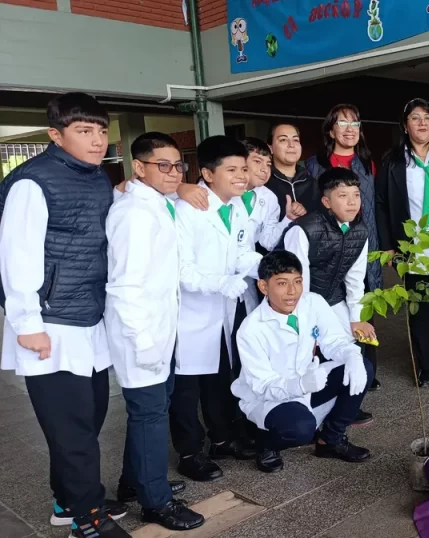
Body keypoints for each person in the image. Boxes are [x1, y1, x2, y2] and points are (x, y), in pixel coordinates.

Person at [0, 92, 130, 538]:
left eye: (100, 130)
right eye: (83, 131)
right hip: (50, 324)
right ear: (56, 135)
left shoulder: (96, 177)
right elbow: (17, 258)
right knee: (72, 429)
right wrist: (28, 325)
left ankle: (68, 498)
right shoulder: (32, 183)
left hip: (88, 317)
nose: (97, 141)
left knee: (88, 418)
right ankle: (88, 518)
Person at [104, 132, 204, 531]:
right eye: (162, 165)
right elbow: (124, 286)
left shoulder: (157, 204)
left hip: (161, 330)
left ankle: (134, 483)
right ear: (139, 168)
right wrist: (143, 342)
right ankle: (155, 502)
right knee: (148, 415)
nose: (173, 172)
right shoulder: (134, 214)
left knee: (152, 410)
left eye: (178, 164)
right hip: (140, 335)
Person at [170, 136, 262, 482]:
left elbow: (241, 251)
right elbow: (181, 269)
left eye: (244, 168)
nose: (242, 176)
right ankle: (189, 453)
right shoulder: (186, 208)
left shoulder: (236, 207)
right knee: (186, 389)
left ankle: (222, 439)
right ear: (208, 174)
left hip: (223, 310)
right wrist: (220, 283)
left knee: (220, 378)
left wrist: (265, 267)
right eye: (232, 170)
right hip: (190, 314)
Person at [233, 251, 373, 472]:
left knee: (361, 367)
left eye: (297, 282)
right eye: (282, 283)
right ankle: (266, 444)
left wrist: (352, 355)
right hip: (270, 398)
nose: (292, 292)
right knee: (300, 429)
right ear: (263, 287)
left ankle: (331, 440)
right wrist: (299, 385)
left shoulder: (312, 303)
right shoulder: (251, 329)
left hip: (309, 382)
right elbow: (264, 386)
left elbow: (335, 341)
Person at [375, 98, 429, 387]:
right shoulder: (392, 162)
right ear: (405, 125)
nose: (422, 123)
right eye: (415, 118)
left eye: (428, 117)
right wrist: (389, 245)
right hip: (414, 249)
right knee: (420, 310)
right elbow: (382, 205)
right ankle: (426, 367)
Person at [283, 167, 377, 427]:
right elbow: (297, 284)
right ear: (326, 201)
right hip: (300, 303)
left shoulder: (360, 231)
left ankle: (340, 412)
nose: (351, 202)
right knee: (305, 355)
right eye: (343, 195)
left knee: (351, 349)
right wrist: (308, 321)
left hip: (334, 299)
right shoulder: (302, 230)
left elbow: (355, 280)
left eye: (356, 195)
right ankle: (303, 414)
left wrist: (356, 319)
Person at [305, 104, 383, 391]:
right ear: (331, 130)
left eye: (355, 124)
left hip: (364, 241)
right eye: (343, 124)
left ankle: (366, 368)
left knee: (363, 301)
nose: (350, 130)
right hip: (330, 245)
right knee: (332, 305)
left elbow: (376, 207)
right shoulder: (314, 165)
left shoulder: (367, 163)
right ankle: (335, 370)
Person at [238, 136, 304, 314]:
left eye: (268, 164)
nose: (264, 169)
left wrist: (287, 219)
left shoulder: (268, 197)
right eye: (257, 161)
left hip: (248, 273)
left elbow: (268, 241)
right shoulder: (224, 192)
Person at [263, 123, 319, 216]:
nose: (291, 145)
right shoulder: (264, 182)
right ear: (270, 148)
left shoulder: (312, 183)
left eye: (296, 140)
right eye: (283, 140)